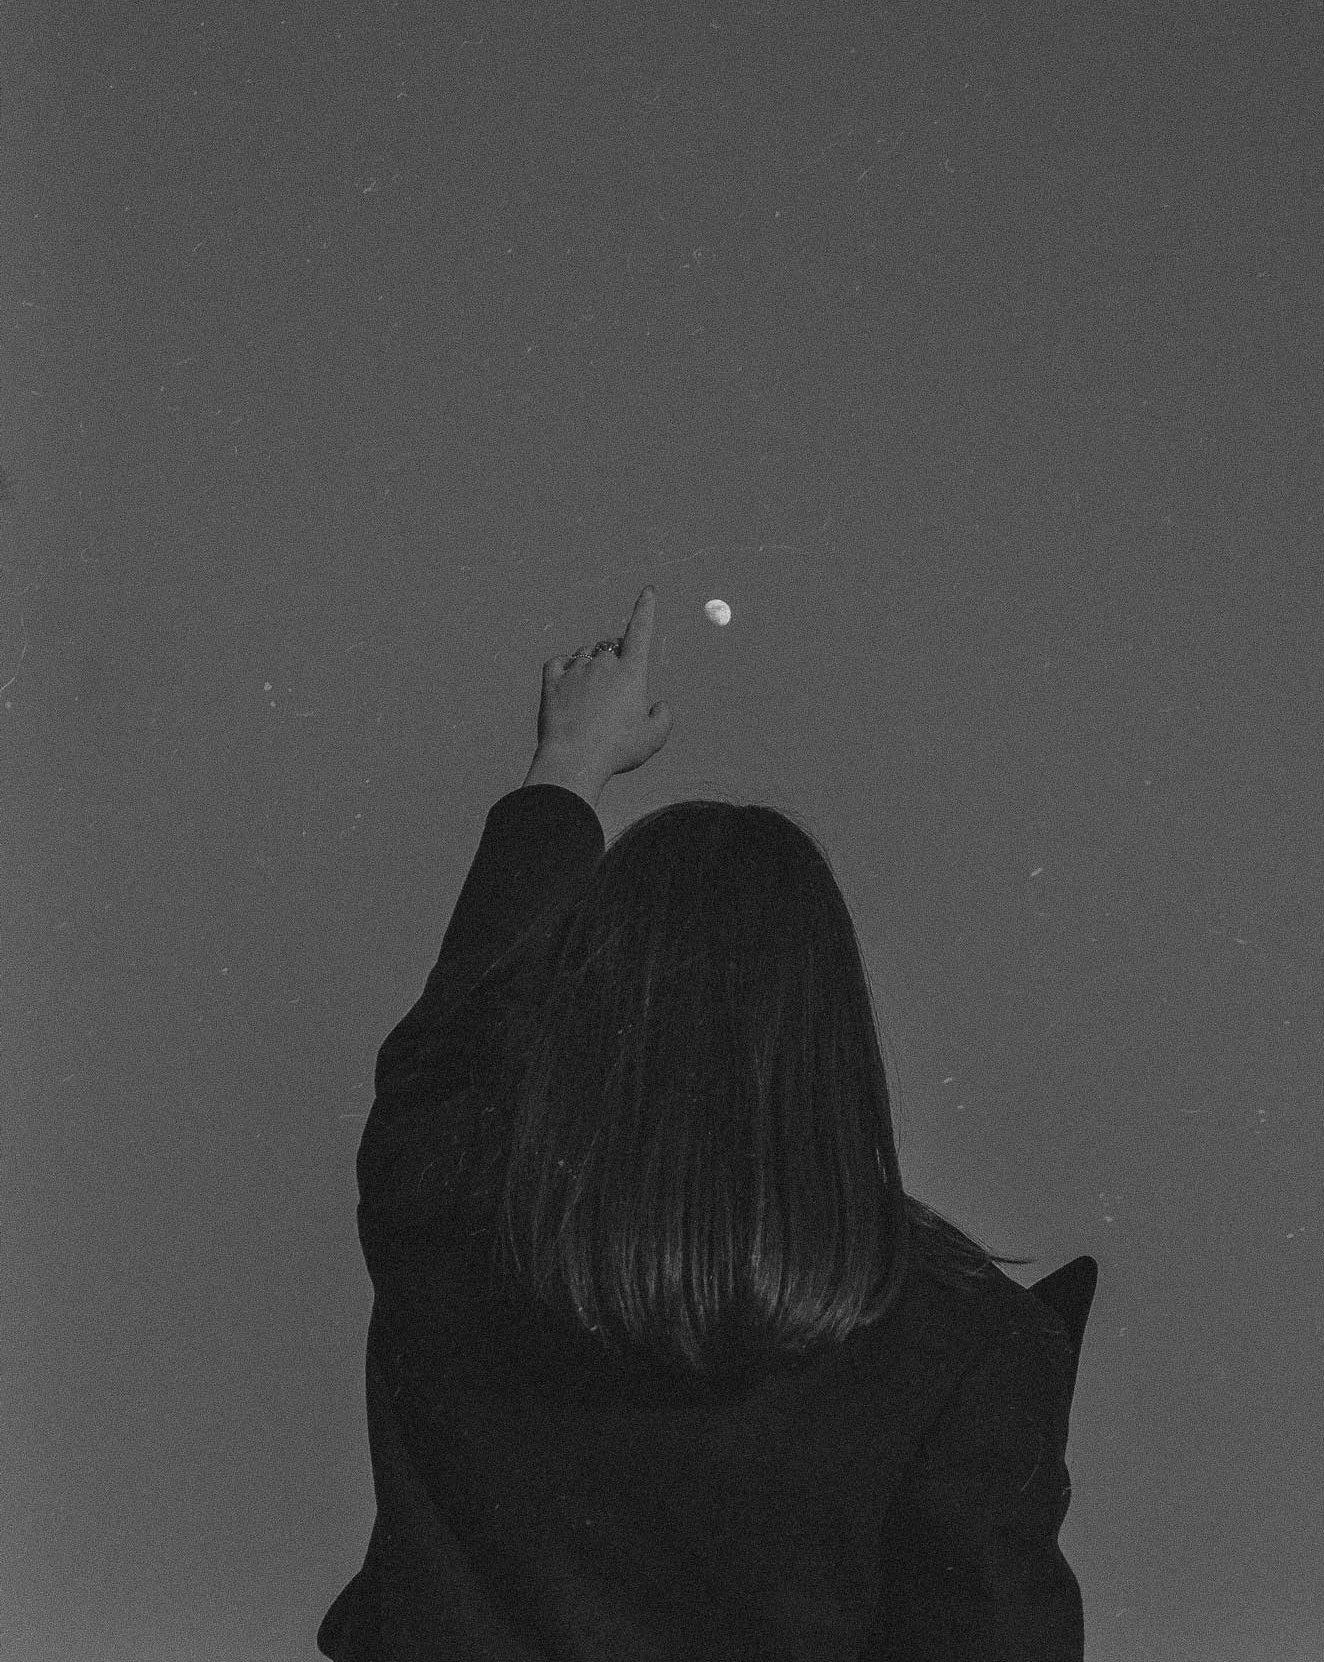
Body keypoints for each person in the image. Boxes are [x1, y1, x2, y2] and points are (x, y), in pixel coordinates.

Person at [319, 587, 1095, 1659]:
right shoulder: (960, 1344)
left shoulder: (451, 1208)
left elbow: (454, 1034)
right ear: (830, 1040)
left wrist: (568, 766)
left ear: (580, 1010)